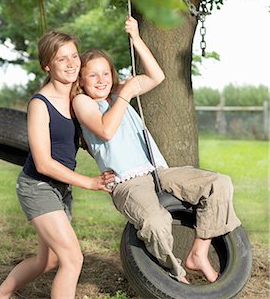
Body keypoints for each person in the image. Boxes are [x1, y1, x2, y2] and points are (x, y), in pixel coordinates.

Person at [72, 16, 241, 284]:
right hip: (128, 183)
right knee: (155, 222)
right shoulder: (83, 101)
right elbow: (105, 130)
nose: (101, 79)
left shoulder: (118, 93)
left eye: (105, 73)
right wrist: (126, 93)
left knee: (219, 184)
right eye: (92, 74)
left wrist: (137, 39)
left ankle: (198, 253)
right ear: (81, 79)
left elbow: (157, 76)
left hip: (158, 171)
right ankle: (175, 276)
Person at [0, 30, 115, 299]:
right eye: (62, 59)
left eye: (74, 56)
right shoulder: (40, 104)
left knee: (47, 261)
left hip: (60, 189)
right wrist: (90, 182)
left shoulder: (78, 96)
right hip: (37, 186)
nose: (71, 64)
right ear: (47, 65)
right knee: (73, 259)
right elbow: (44, 163)